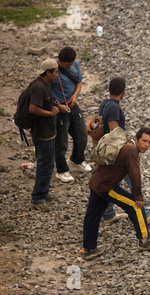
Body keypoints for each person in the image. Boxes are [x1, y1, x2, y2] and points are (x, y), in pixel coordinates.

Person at [83, 127, 150, 260]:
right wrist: (138, 196)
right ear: (136, 139)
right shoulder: (131, 150)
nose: (147, 145)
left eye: (149, 142)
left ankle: (89, 249)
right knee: (136, 206)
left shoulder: (126, 145)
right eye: (144, 141)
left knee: (92, 216)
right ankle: (144, 241)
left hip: (95, 182)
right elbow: (135, 175)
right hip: (106, 187)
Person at [96, 77, 150, 226]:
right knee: (132, 178)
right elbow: (114, 131)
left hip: (109, 152)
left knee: (112, 181)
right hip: (117, 151)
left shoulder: (104, 104)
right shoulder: (114, 107)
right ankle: (144, 214)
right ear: (123, 91)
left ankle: (108, 214)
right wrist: (126, 149)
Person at [28, 59, 70, 211]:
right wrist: (50, 113)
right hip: (42, 133)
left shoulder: (44, 85)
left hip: (48, 132)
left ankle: (43, 192)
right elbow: (33, 108)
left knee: (48, 163)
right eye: (55, 72)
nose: (57, 76)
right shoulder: (38, 87)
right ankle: (37, 198)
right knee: (45, 164)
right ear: (48, 72)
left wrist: (58, 106)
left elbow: (48, 101)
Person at [50, 46, 91, 183]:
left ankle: (77, 160)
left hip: (72, 105)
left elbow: (79, 81)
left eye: (71, 64)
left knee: (82, 135)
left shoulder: (75, 65)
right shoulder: (52, 71)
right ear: (59, 61)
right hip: (59, 109)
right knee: (61, 142)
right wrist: (58, 106)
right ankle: (61, 170)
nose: (69, 67)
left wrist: (75, 96)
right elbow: (46, 94)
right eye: (67, 65)